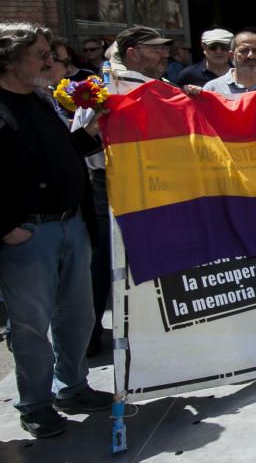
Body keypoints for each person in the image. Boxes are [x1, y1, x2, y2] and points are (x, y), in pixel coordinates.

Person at [0, 22, 114, 438]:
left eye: (50, 53)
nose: (51, 62)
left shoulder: (42, 98)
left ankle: (74, 387)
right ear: (9, 59)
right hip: (29, 234)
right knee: (30, 325)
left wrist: (92, 132)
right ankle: (35, 404)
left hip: (71, 224)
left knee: (78, 314)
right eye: (41, 54)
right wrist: (7, 228)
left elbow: (66, 152)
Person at [73, 26, 173, 356]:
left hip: (158, 184)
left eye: (164, 48)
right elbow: (83, 148)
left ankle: (158, 330)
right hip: (112, 187)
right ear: (132, 53)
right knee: (106, 261)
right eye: (155, 49)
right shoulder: (101, 91)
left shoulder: (165, 89)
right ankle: (89, 339)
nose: (164, 54)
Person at [199, 30, 256, 97]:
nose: (250, 56)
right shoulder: (213, 89)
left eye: (255, 51)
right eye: (244, 51)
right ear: (231, 55)